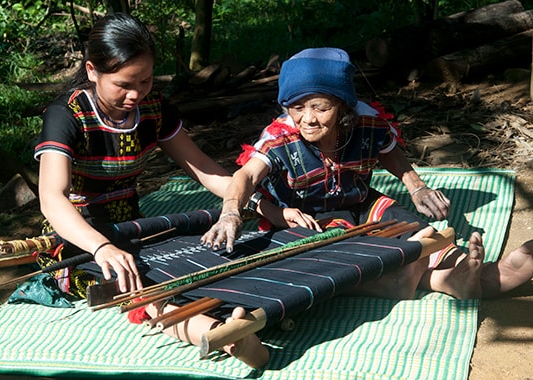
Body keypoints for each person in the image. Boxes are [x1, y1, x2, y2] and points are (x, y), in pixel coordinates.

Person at [201, 47, 533, 300]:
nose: (308, 119)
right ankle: (422, 280)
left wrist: (417, 188)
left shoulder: (367, 122)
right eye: (297, 107)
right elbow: (246, 176)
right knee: (321, 256)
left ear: (344, 105)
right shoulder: (279, 138)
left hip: (359, 201)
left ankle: (461, 269)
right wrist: (231, 212)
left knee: (412, 226)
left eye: (321, 107)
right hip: (305, 217)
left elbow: (392, 155)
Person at [34, 13, 268, 367]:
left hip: (136, 228)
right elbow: (52, 198)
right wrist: (102, 248)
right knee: (139, 287)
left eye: (144, 81)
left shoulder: (153, 110)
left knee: (203, 256)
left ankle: (236, 309)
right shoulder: (67, 115)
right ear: (93, 70)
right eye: (124, 84)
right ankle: (221, 334)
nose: (135, 94)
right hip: (79, 240)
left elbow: (205, 171)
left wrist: (259, 204)